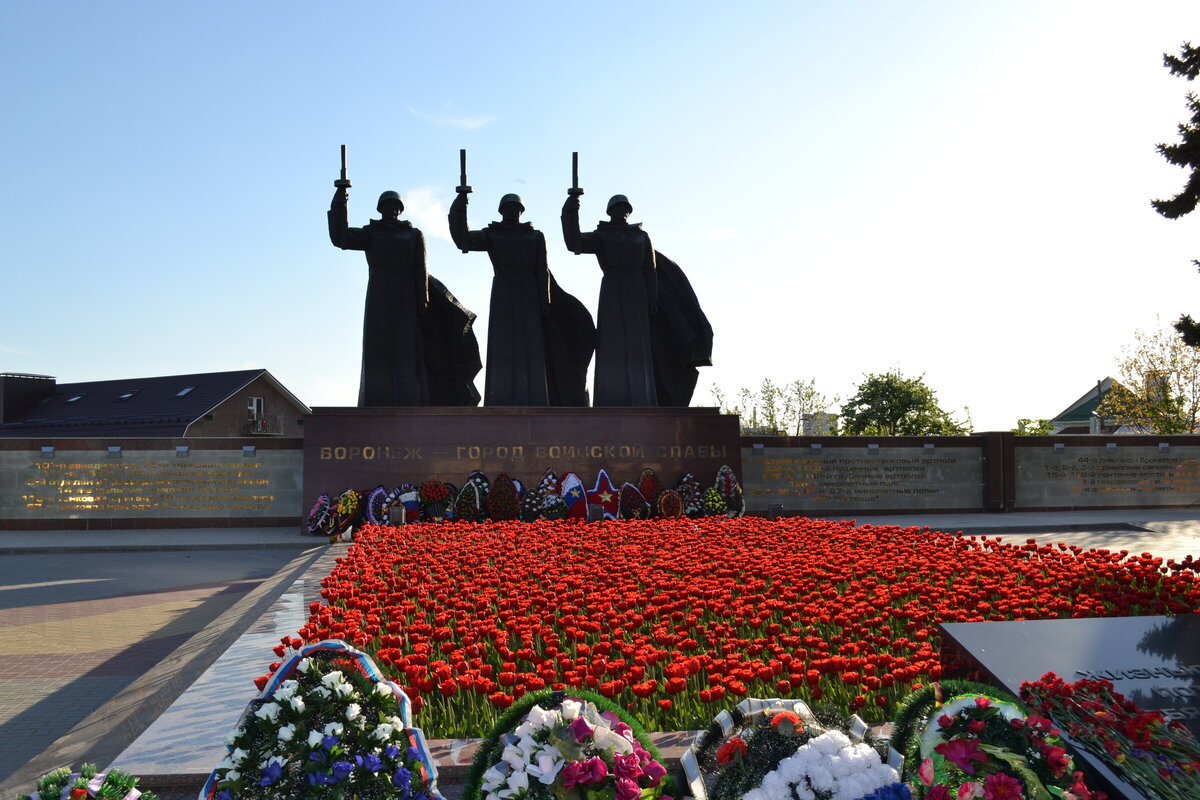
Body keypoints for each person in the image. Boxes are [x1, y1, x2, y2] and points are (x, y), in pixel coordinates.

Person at [328, 187, 430, 406]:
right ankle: (376, 398)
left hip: (405, 292)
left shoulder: (413, 234)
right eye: (387, 206)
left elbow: (420, 270)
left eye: (396, 206)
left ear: (400, 210)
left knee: (406, 347)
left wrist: (423, 300)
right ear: (381, 209)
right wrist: (340, 203)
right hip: (379, 291)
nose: (392, 209)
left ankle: (408, 399)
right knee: (378, 345)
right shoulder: (371, 233)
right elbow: (341, 237)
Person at [450, 193, 552, 405]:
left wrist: (545, 301)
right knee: (502, 343)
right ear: (502, 211)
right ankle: (500, 397)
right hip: (503, 290)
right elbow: (464, 239)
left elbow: (542, 270)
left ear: (521, 212)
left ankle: (534, 397)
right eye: (508, 209)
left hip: (529, 292)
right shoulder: (492, 234)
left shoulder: (535, 236)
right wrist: (458, 208)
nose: (513, 212)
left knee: (531, 345)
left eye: (516, 209)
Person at [562, 193, 658, 406]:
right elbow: (574, 242)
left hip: (637, 290)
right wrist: (570, 212)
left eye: (625, 208)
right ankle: (610, 397)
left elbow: (650, 270)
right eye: (617, 208)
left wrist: (653, 298)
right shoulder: (602, 236)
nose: (621, 211)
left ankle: (643, 397)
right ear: (610, 211)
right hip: (612, 289)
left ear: (629, 211)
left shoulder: (641, 237)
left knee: (637, 344)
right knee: (611, 342)